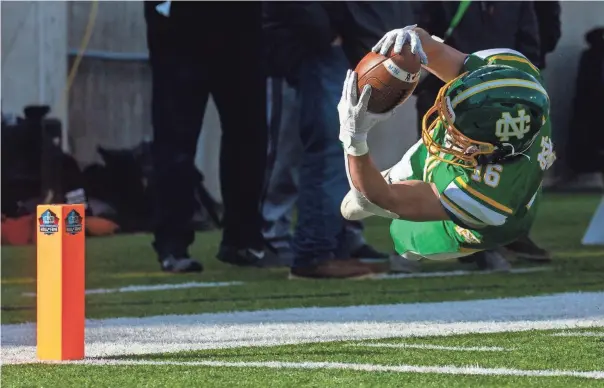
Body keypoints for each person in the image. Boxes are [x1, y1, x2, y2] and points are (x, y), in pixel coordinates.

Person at [339, 26, 555, 266]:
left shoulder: (485, 196)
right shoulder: (513, 72)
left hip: (478, 219)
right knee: (352, 204)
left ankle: (420, 247)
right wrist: (414, 40)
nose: (446, 127)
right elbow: (437, 53)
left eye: (458, 130)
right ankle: (382, 184)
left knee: (400, 232)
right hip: (477, 166)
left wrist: (354, 136)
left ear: (490, 148)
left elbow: (385, 198)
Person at [262, 2, 412, 279]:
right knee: (330, 149)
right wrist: (324, 33)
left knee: (344, 147)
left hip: (346, 44)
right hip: (325, 46)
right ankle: (314, 253)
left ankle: (335, 245)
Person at [144, 1, 278, 273]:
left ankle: (242, 238)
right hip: (182, 22)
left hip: (240, 20)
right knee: (176, 137)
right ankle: (172, 242)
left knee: (248, 134)